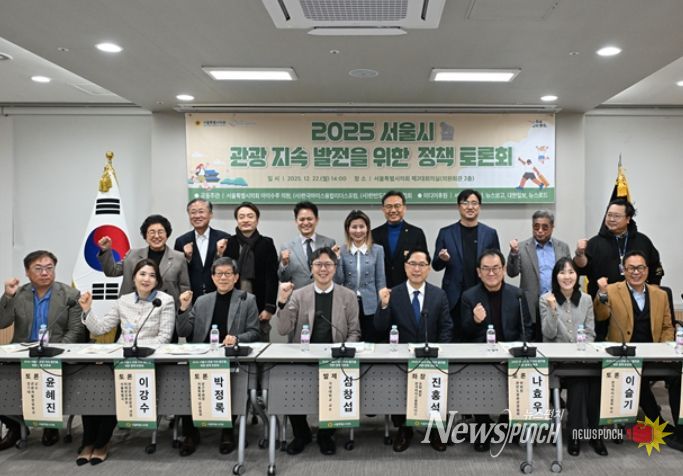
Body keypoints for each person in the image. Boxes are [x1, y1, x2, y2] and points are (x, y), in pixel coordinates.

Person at [78, 259, 175, 465]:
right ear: (134, 278)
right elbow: (101, 328)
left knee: (115, 391)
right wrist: (87, 310)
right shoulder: (123, 300)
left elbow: (164, 338)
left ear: (157, 280)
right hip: (120, 358)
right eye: (142, 274)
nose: (146, 279)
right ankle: (88, 442)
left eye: (152, 275)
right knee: (93, 386)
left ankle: (101, 443)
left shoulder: (165, 301)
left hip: (147, 362)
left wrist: (136, 348)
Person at [594, 250, 683, 451]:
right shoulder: (612, 290)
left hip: (655, 354)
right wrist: (602, 294)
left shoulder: (660, 295)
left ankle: (680, 429)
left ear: (647, 270)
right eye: (631, 268)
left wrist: (664, 349)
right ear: (623, 270)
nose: (636, 272)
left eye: (640, 268)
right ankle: (658, 423)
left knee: (678, 376)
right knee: (635, 373)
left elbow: (668, 327)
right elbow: (600, 316)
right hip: (625, 356)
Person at [276, 247, 360, 456]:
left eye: (328, 264)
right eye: (318, 265)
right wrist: (282, 302)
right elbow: (283, 329)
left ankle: (326, 434)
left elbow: (354, 332)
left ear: (335, 268)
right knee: (290, 387)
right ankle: (301, 434)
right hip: (303, 359)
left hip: (335, 360)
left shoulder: (348, 296)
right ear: (311, 268)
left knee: (337, 387)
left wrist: (343, 351)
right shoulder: (298, 295)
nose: (323, 269)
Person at [0, 250, 87, 450]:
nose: (45, 273)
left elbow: (75, 330)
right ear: (27, 272)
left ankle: (50, 425)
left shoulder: (70, 295)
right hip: (22, 355)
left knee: (48, 374)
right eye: (38, 269)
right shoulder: (18, 294)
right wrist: (7, 296)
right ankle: (15, 426)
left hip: (56, 354)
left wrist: (57, 352)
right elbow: (2, 322)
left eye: (49, 268)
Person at [176, 257, 260, 456]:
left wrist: (237, 338)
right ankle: (191, 433)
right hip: (202, 357)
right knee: (184, 384)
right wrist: (183, 308)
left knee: (232, 384)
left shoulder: (247, 300)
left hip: (230, 359)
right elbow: (183, 331)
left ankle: (227, 432)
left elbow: (255, 332)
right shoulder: (202, 300)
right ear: (212, 277)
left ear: (236, 277)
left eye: (228, 274)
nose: (223, 278)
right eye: (219, 274)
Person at [374, 249, 453, 452]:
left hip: (432, 359)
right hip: (402, 360)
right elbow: (380, 328)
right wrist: (384, 305)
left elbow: (446, 327)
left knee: (434, 392)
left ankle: (435, 430)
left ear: (428, 268)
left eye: (421, 265)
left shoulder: (439, 294)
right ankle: (404, 429)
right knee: (401, 390)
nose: (416, 269)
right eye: (412, 264)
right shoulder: (393, 294)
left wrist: (441, 353)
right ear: (405, 267)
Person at [461, 249, 533, 452]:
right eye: (486, 269)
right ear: (478, 272)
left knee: (520, 374)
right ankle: (482, 425)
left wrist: (515, 352)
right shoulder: (469, 296)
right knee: (477, 376)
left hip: (511, 355)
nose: (491, 273)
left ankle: (506, 421)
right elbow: (464, 333)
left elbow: (526, 328)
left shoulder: (517, 295)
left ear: (503, 270)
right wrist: (475, 321)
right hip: (481, 357)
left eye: (496, 268)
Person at [539, 258, 604, 456]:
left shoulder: (586, 299)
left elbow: (591, 332)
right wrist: (552, 310)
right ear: (555, 276)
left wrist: (581, 350)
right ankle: (575, 434)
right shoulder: (546, 298)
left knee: (597, 378)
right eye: (562, 272)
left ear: (577, 275)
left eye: (571, 272)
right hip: (557, 361)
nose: (567, 277)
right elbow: (548, 333)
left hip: (582, 357)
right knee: (579, 380)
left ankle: (595, 432)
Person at [574, 198, 663, 340]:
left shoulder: (642, 241)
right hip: (603, 305)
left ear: (628, 219)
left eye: (616, 216)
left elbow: (655, 268)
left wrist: (654, 292)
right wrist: (580, 253)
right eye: (609, 215)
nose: (611, 219)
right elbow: (581, 268)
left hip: (636, 305)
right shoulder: (595, 242)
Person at [433, 189, 500, 341]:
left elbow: (497, 265)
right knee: (454, 337)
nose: (470, 207)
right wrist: (442, 259)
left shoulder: (490, 233)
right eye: (465, 203)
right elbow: (436, 266)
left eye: (474, 203)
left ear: (479, 207)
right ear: (459, 206)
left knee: (481, 335)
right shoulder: (446, 233)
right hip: (454, 296)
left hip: (482, 293)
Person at [98, 214, 190, 308]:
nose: (156, 236)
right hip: (132, 309)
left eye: (160, 232)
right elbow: (112, 271)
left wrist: (182, 311)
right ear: (145, 235)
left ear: (167, 235)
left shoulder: (179, 258)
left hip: (165, 310)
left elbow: (185, 289)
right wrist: (105, 251)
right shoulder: (132, 255)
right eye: (152, 232)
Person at [507, 210, 571, 341]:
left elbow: (570, 274)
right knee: (534, 341)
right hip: (532, 304)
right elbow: (512, 273)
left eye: (545, 227)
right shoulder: (522, 247)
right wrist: (513, 253)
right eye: (536, 227)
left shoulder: (562, 247)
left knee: (557, 341)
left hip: (558, 301)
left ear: (552, 227)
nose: (540, 231)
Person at [226, 202, 278, 342]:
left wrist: (269, 307)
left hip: (259, 304)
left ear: (257, 220)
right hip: (233, 303)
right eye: (241, 217)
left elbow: (272, 278)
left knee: (260, 342)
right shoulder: (229, 243)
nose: (246, 220)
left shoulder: (266, 243)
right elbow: (222, 275)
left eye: (250, 216)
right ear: (237, 220)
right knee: (232, 343)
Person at [334, 210, 386, 342]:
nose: (358, 231)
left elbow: (380, 280)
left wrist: (382, 306)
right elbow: (338, 280)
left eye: (362, 226)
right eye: (354, 227)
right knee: (350, 338)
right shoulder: (342, 251)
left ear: (367, 228)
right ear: (348, 229)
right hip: (348, 302)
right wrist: (337, 259)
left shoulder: (377, 250)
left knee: (369, 340)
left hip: (370, 304)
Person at [174, 198, 231, 301]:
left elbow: (231, 269)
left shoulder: (224, 238)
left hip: (220, 294)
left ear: (210, 214)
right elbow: (179, 272)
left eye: (201, 211)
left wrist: (220, 254)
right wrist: (187, 258)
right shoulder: (181, 241)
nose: (197, 216)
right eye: (193, 212)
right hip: (192, 297)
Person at [372, 190, 428, 289]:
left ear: (404, 208)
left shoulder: (416, 233)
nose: (393, 210)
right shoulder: (373, 234)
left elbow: (423, 263)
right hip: (381, 289)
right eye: (389, 206)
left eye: (397, 206)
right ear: (383, 209)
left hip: (408, 288)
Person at [278, 201, 336, 289]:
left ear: (317, 220)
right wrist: (284, 264)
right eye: (301, 219)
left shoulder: (329, 243)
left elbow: (335, 276)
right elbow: (283, 279)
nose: (305, 223)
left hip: (324, 293)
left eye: (309, 219)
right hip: (297, 295)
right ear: (296, 221)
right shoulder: (286, 247)